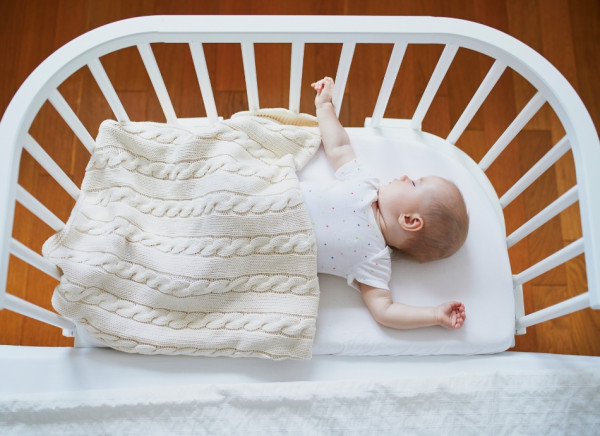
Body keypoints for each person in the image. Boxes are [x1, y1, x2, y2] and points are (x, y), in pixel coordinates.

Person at [305, 77, 468, 330]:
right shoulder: (364, 183)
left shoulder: (374, 260)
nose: (403, 176)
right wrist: (324, 107)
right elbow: (338, 146)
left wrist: (435, 314)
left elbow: (385, 311)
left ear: (410, 220)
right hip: (270, 199)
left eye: (413, 183)